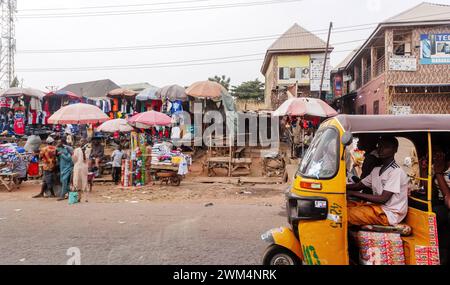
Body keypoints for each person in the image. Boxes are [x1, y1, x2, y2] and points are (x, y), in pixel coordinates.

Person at [346, 136, 409, 226]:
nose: (381, 149)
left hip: (388, 214)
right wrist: (341, 187)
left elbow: (383, 199)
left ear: (395, 150)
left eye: (386, 147)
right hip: (377, 208)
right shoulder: (376, 170)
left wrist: (352, 193)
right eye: (379, 146)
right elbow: (359, 185)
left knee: (345, 214)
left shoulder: (396, 172)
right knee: (343, 206)